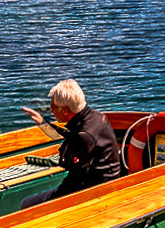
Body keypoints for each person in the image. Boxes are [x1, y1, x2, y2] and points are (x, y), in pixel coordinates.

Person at [20, 79, 125, 207]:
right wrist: (43, 123)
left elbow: (74, 175)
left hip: (95, 190)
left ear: (64, 110)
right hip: (107, 180)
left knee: (26, 204)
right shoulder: (95, 117)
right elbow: (72, 137)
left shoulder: (84, 136)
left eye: (52, 107)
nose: (51, 111)